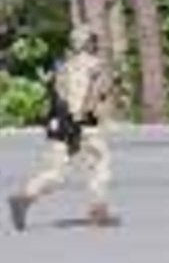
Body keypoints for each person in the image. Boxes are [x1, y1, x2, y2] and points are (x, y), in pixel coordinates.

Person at [8, 28, 116, 231]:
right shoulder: (96, 65)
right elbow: (95, 94)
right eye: (93, 40)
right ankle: (98, 208)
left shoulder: (65, 66)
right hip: (85, 124)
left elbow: (59, 94)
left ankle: (25, 197)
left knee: (57, 172)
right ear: (89, 43)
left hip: (63, 124)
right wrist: (84, 113)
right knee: (99, 164)